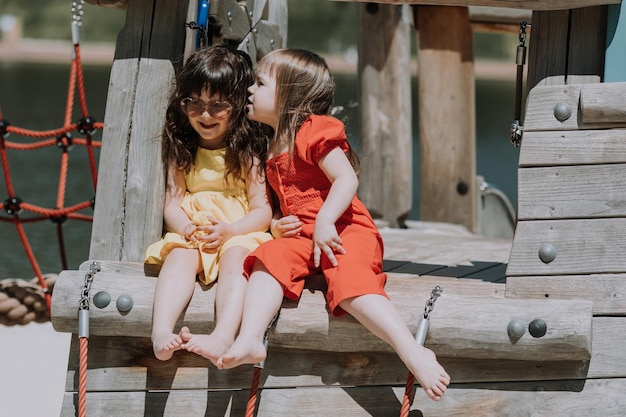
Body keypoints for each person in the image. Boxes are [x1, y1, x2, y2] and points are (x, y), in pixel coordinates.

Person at [215, 48, 450, 402]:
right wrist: (278, 227)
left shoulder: (313, 131)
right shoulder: (270, 145)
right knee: (269, 255)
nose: (249, 90)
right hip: (305, 237)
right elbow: (281, 205)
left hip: (343, 228)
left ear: (288, 96)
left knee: (347, 278)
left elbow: (346, 179)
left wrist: (325, 220)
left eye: (260, 83)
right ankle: (250, 337)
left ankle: (411, 350)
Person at [145, 45, 273, 363]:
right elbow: (172, 203)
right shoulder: (182, 147)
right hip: (196, 231)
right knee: (178, 257)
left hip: (237, 232)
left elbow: (262, 210)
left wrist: (230, 231)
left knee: (238, 261)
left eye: (218, 106)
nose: (205, 115)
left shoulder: (246, 150)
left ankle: (223, 335)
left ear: (239, 105)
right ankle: (161, 332)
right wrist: (186, 227)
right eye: (195, 104)